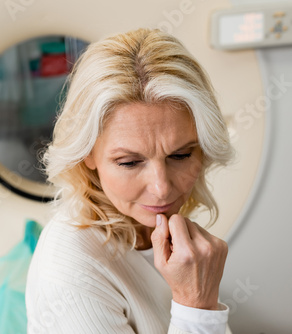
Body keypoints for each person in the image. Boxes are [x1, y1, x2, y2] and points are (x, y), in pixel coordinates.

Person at [25, 28, 234, 334]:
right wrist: (196, 305)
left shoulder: (152, 231)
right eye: (130, 162)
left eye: (180, 156)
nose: (162, 187)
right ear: (87, 155)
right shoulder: (69, 270)